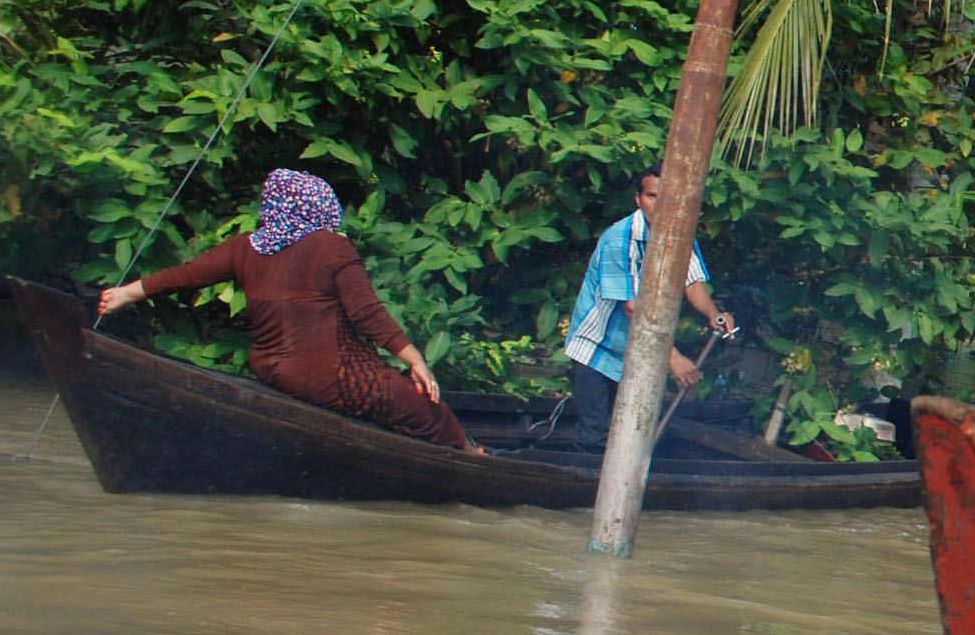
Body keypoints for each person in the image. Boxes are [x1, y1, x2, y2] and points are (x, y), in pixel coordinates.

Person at [97, 168, 479, 451]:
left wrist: (125, 293)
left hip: (270, 370)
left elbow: (186, 275)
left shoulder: (246, 246)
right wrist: (416, 360)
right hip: (325, 374)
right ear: (319, 208)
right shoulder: (332, 247)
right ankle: (472, 462)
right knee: (431, 413)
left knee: (392, 394)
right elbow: (367, 314)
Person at [561, 169, 739, 449]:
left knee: (632, 436)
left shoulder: (680, 235)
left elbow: (691, 283)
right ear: (638, 199)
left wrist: (712, 314)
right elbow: (633, 309)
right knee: (595, 436)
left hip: (637, 352)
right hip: (596, 349)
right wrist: (673, 359)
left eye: (666, 197)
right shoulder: (619, 240)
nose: (658, 204)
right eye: (651, 196)